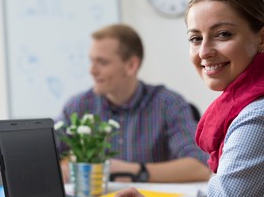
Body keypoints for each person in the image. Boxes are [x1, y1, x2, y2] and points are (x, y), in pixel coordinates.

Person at [70, 0, 264, 197]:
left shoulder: (255, 117)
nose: (204, 51)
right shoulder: (242, 106)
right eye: (195, 38)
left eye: (223, 34)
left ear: (260, 38)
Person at [56, 23, 210, 183]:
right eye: (91, 61)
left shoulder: (168, 104)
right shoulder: (78, 106)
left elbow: (200, 166)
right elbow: (45, 156)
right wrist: (63, 166)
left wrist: (133, 171)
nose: (92, 70)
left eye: (102, 62)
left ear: (131, 66)